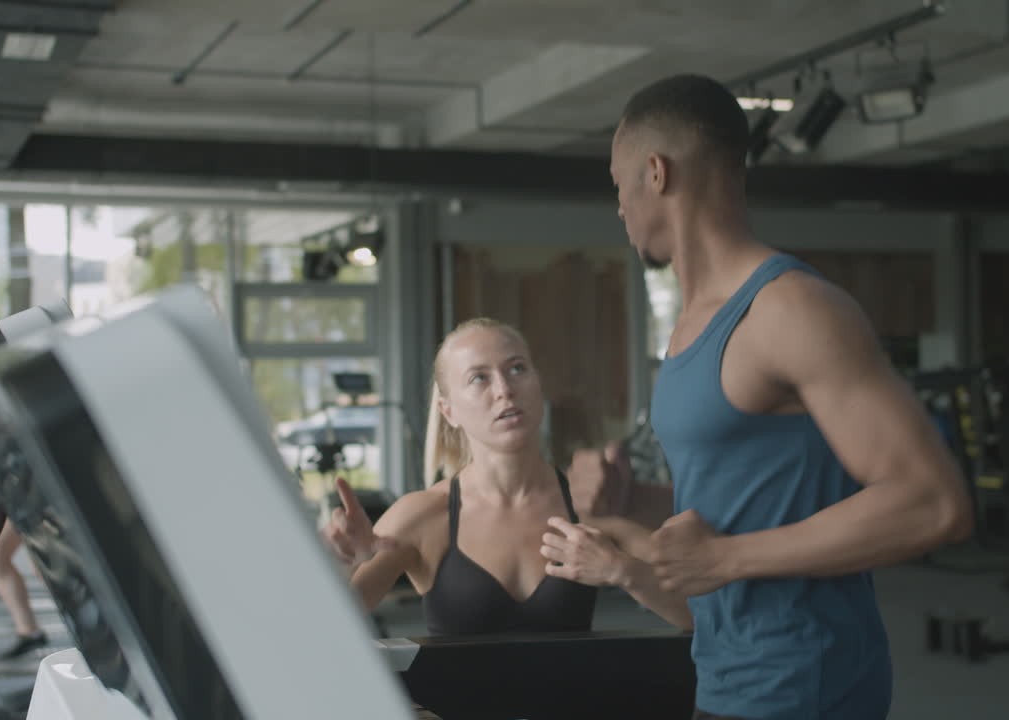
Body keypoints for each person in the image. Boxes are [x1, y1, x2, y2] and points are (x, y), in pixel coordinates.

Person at [563, 73, 973, 720]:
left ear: (656, 173)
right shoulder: (693, 324)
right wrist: (632, 503)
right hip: (729, 676)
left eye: (619, 186)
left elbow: (933, 502)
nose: (618, 209)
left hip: (804, 685)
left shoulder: (791, 311)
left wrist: (726, 559)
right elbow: (743, 499)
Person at [322, 317, 690, 634]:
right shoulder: (423, 516)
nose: (504, 390)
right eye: (479, 378)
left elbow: (698, 615)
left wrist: (622, 570)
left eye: (517, 369)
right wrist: (339, 562)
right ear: (448, 410)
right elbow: (330, 623)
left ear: (537, 383)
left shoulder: (587, 504)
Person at [0, 519, 48, 660]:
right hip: (14, 501)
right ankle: (30, 632)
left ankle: (31, 632)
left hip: (28, 500)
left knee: (43, 566)